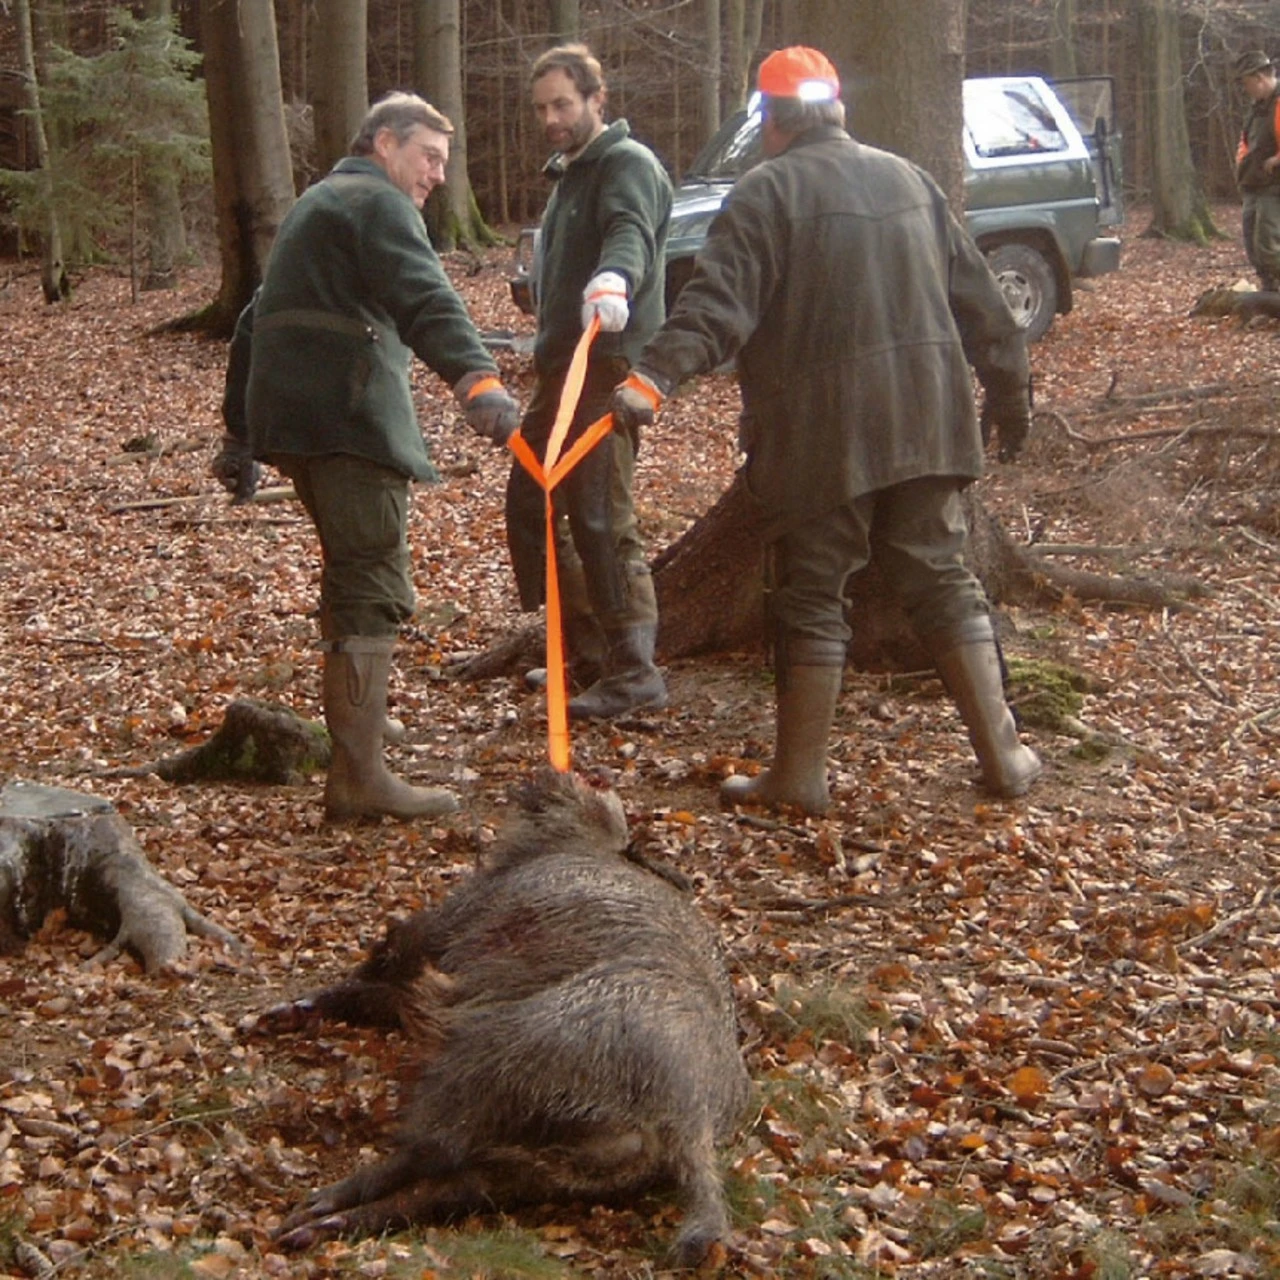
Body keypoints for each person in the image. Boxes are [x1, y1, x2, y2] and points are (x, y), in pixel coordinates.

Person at [611, 46, 1042, 815]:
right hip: (929, 425)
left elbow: (716, 308)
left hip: (823, 436)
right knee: (942, 578)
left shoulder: (764, 190)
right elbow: (986, 305)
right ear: (836, 109)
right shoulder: (911, 180)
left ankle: (800, 778)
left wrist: (651, 380)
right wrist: (1012, 399)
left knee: (812, 591)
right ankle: (1003, 753)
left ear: (770, 120)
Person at [245, 91, 520, 822]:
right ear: (385, 143)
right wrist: (478, 378)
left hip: (297, 419)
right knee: (370, 577)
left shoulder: (317, 202)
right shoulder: (375, 203)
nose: (436, 177)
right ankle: (359, 776)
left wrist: (237, 431)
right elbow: (425, 293)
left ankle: (360, 722)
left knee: (350, 568)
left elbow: (255, 317)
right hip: (348, 415)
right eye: (429, 157)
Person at [506, 43, 673, 720]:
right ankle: (586, 655)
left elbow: (629, 232)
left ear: (597, 100)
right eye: (543, 107)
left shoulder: (625, 165)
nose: (552, 118)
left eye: (564, 104)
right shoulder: (570, 174)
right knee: (532, 506)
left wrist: (614, 280)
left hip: (606, 371)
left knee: (603, 517)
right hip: (558, 372)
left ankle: (635, 671)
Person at [1234, 50, 1280, 292]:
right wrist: (1241, 159)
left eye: (1247, 82)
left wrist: (1276, 160)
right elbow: (1246, 140)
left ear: (1260, 77)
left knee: (1269, 246)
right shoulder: (1257, 107)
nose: (1246, 88)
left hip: (1274, 186)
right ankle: (1270, 298)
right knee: (1254, 246)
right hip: (1253, 183)